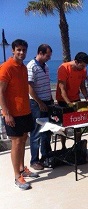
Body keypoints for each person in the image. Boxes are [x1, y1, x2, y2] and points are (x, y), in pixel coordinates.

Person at [0, 39, 37, 190]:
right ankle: (17, 176)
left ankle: (22, 168)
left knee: (23, 139)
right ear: (13, 50)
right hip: (12, 114)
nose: (21, 52)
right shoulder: (6, 67)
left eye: (24, 50)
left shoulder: (22, 67)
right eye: (19, 50)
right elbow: (0, 92)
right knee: (16, 143)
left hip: (25, 111)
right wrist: (6, 113)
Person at [55, 52, 88, 149]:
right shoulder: (64, 68)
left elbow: (82, 86)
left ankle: (77, 146)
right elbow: (62, 89)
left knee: (78, 124)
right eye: (82, 65)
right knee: (64, 125)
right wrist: (68, 103)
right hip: (63, 100)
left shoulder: (83, 70)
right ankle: (63, 146)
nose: (83, 68)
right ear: (76, 61)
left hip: (76, 98)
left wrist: (87, 97)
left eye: (85, 66)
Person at [27, 44, 53, 170]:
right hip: (37, 104)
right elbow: (30, 88)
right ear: (41, 53)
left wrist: (50, 101)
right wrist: (40, 102)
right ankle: (34, 160)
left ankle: (46, 156)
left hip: (47, 101)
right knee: (36, 132)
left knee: (47, 131)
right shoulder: (32, 66)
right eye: (47, 55)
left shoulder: (45, 67)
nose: (49, 58)